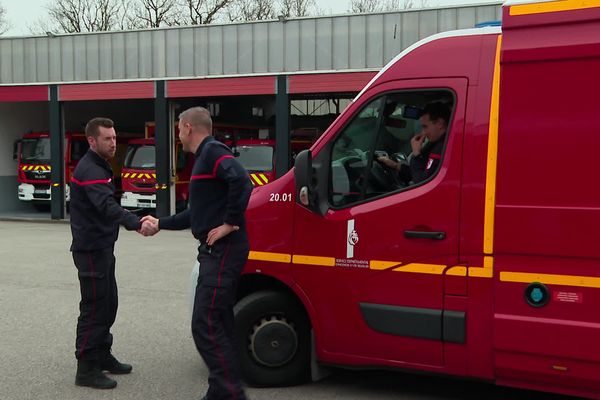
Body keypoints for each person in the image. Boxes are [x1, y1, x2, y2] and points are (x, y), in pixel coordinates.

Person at [140, 107, 253, 400]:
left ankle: (230, 392)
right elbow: (196, 214)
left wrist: (230, 222)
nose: (178, 134)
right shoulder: (204, 159)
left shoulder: (212, 151)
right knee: (220, 320)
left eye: (179, 127)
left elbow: (242, 180)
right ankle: (220, 389)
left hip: (224, 249)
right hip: (215, 250)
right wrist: (160, 223)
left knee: (204, 322)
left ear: (188, 127)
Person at [69, 117, 141, 389]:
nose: (113, 143)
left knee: (108, 302)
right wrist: (136, 222)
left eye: (114, 138)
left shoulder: (99, 165)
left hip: (102, 247)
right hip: (90, 249)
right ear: (92, 141)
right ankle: (86, 368)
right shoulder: (90, 169)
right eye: (107, 139)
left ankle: (101, 354)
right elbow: (105, 206)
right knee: (95, 307)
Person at [378, 101, 450, 184]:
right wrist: (395, 165)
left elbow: (421, 182)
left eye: (425, 127)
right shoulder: (437, 143)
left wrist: (416, 154)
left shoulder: (441, 148)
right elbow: (419, 172)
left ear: (440, 123)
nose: (423, 132)